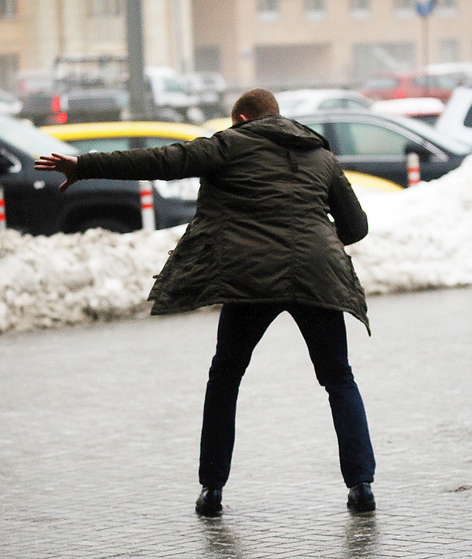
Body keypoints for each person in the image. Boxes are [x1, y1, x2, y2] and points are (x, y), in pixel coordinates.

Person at [34, 88, 376, 515]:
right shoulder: (320, 156)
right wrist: (311, 239)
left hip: (251, 277)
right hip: (318, 273)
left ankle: (212, 491)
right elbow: (356, 226)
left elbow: (163, 161)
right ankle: (361, 486)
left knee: (226, 377)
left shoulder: (230, 143)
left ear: (242, 119)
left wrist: (85, 165)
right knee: (338, 377)